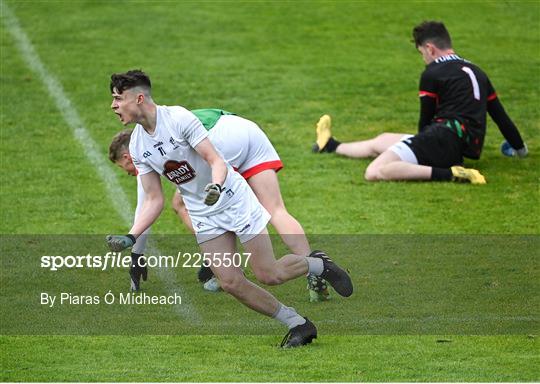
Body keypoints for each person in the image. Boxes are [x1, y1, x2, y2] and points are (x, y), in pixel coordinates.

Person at [105, 70, 353, 348]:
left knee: (268, 274)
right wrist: (132, 236)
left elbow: (217, 161)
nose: (113, 105)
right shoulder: (138, 144)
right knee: (231, 282)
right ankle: (298, 324)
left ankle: (319, 265)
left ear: (139, 98)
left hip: (232, 198)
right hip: (204, 213)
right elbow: (153, 199)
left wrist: (216, 186)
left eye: (118, 98)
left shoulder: (178, 119)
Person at [109, 114, 329, 300]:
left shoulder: (145, 148)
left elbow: (147, 204)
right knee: (276, 209)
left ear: (128, 156)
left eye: (123, 167)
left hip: (222, 142)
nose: (128, 172)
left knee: (187, 202)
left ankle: (222, 263)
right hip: (246, 130)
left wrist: (136, 254)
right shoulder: (166, 120)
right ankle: (315, 270)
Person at [313, 21, 528, 183]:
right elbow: (501, 117)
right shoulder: (477, 72)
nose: (423, 58)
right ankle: (330, 145)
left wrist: (419, 150)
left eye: (421, 53)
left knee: (374, 172)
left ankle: (452, 174)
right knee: (383, 140)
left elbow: (425, 122)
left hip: (442, 140)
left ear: (430, 48)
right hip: (460, 143)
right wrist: (520, 149)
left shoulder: (433, 73)